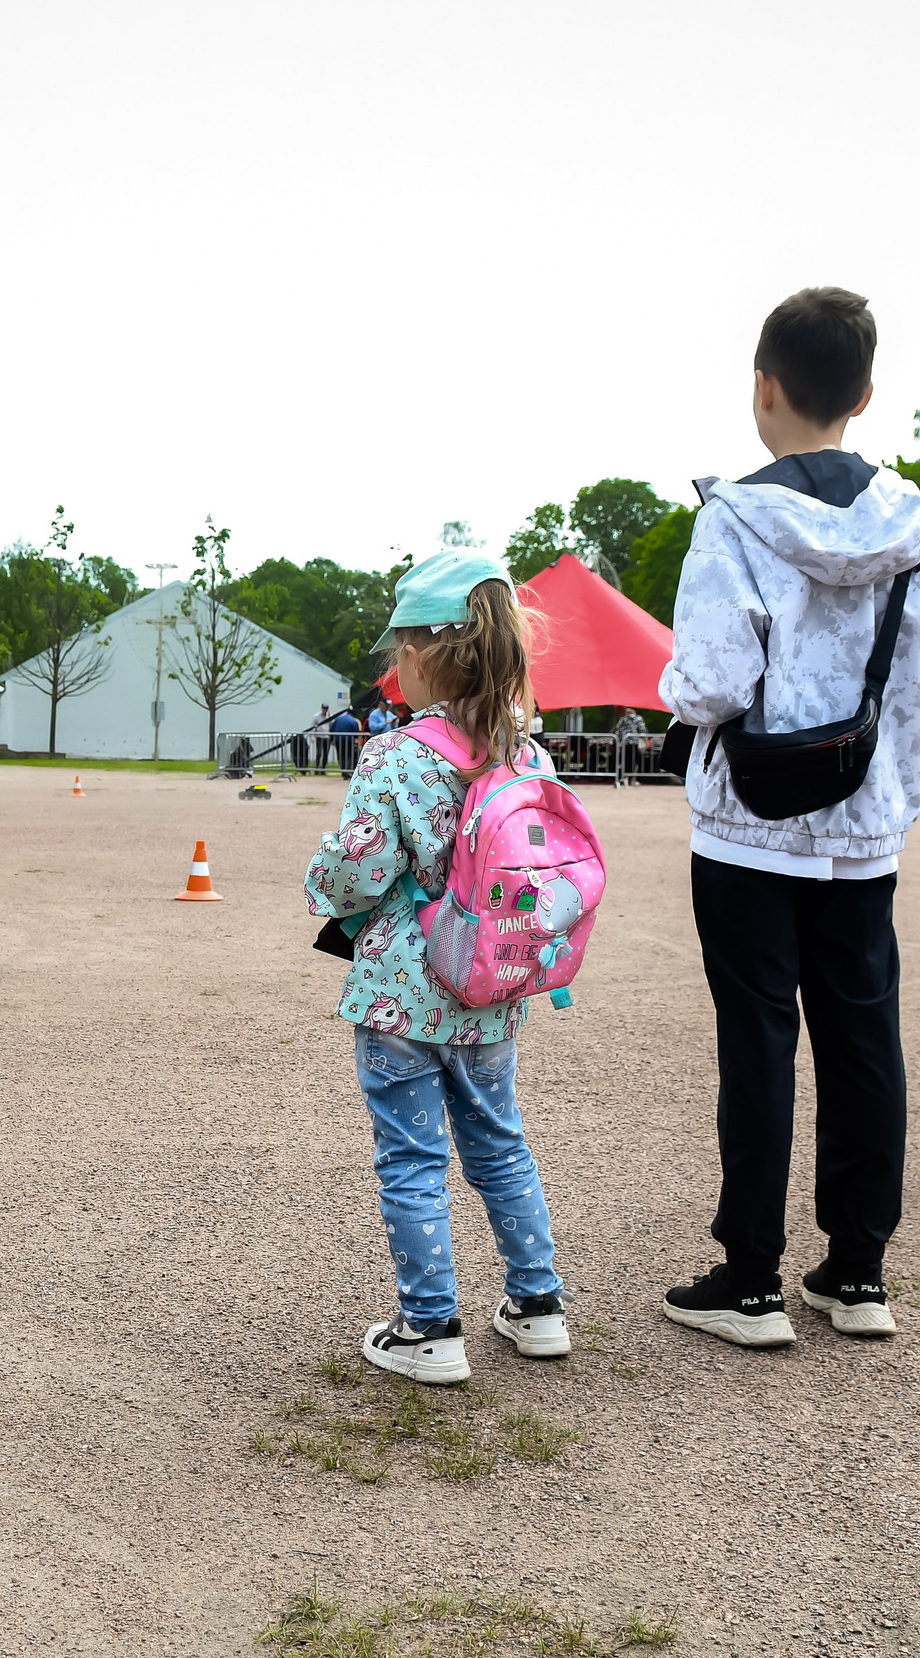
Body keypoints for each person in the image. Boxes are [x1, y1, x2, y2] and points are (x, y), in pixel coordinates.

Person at [658, 286, 920, 1349]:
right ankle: (857, 1271)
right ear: (866, 395)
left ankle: (748, 1278)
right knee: (862, 1037)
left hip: (748, 826)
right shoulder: (912, 528)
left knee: (757, 1040)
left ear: (762, 387)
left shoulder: (732, 519)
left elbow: (706, 685)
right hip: (861, 832)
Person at [304, 551, 570, 1383]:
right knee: (500, 1144)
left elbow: (359, 870)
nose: (391, 669)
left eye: (396, 652)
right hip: (492, 989)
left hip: (403, 996)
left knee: (412, 1160)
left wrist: (320, 879)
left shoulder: (397, 757)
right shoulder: (528, 756)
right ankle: (537, 1306)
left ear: (421, 655)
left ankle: (429, 1328)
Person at [329, 703, 361, 776]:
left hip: (338, 740)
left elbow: (331, 729)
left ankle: (343, 770)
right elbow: (356, 732)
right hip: (348, 741)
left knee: (340, 756)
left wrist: (332, 739)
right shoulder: (353, 721)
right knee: (349, 756)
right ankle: (348, 770)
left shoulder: (338, 718)